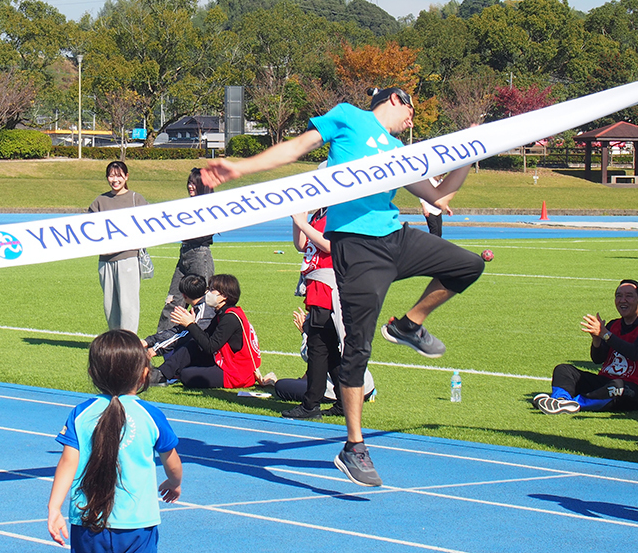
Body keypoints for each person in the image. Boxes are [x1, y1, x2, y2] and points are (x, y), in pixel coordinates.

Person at [199, 86, 485, 487]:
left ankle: (408, 325)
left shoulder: (399, 151)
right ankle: (354, 446)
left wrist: (471, 151)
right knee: (357, 349)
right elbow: (298, 147)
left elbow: (439, 197)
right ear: (394, 100)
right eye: (412, 108)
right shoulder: (350, 117)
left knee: (467, 265)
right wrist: (241, 168)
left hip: (394, 237)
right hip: (355, 246)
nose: (413, 118)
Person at [47, 330, 182, 550]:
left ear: (92, 373)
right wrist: (174, 483)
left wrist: (54, 508)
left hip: (88, 520)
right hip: (138, 523)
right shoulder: (150, 415)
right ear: (144, 374)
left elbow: (67, 463)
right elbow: (172, 462)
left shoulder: (81, 413)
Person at [533, 280, 638, 415]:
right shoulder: (614, 324)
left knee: (617, 387)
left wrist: (606, 335)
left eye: (629, 296)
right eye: (618, 296)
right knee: (563, 370)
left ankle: (575, 403)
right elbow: (598, 359)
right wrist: (597, 340)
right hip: (606, 381)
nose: (622, 300)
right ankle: (560, 400)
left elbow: (636, 353)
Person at [281, 208, 343, 420]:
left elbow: (329, 245)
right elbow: (301, 245)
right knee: (330, 349)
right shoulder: (318, 215)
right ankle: (344, 400)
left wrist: (304, 224)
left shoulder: (335, 213)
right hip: (316, 285)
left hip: (327, 285)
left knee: (317, 346)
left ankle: (310, 404)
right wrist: (299, 219)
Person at [150, 274, 261, 389]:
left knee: (186, 375)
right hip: (225, 362)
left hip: (235, 373)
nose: (207, 293)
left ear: (224, 296)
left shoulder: (229, 318)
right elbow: (205, 337)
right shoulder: (223, 313)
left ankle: (164, 374)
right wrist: (192, 325)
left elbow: (210, 346)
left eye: (212, 290)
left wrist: (190, 324)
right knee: (193, 344)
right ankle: (161, 374)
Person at [274, 307, 376, 412]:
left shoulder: (324, 325)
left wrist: (305, 332)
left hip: (338, 391)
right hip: (366, 387)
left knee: (281, 386)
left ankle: (313, 405)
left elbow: (312, 356)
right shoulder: (347, 321)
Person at [88, 161, 148, 334]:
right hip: (105, 260)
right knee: (110, 305)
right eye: (111, 175)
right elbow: (87, 228)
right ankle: (115, 341)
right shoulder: (100, 201)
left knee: (128, 304)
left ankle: (129, 341)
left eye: (119, 175)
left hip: (128, 257)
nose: (115, 180)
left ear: (126, 176)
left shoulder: (136, 199)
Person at [156, 168, 215, 332]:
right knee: (173, 302)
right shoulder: (185, 206)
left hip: (199, 255)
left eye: (194, 183)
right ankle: (162, 345)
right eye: (189, 183)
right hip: (185, 254)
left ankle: (201, 344)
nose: (190, 186)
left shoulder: (210, 207)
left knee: (203, 303)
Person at [144, 274, 214, 363]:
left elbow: (186, 335)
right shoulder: (202, 305)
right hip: (204, 350)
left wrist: (156, 349)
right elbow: (178, 330)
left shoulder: (203, 311)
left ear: (184, 295)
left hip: (205, 356)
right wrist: (150, 340)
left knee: (172, 351)